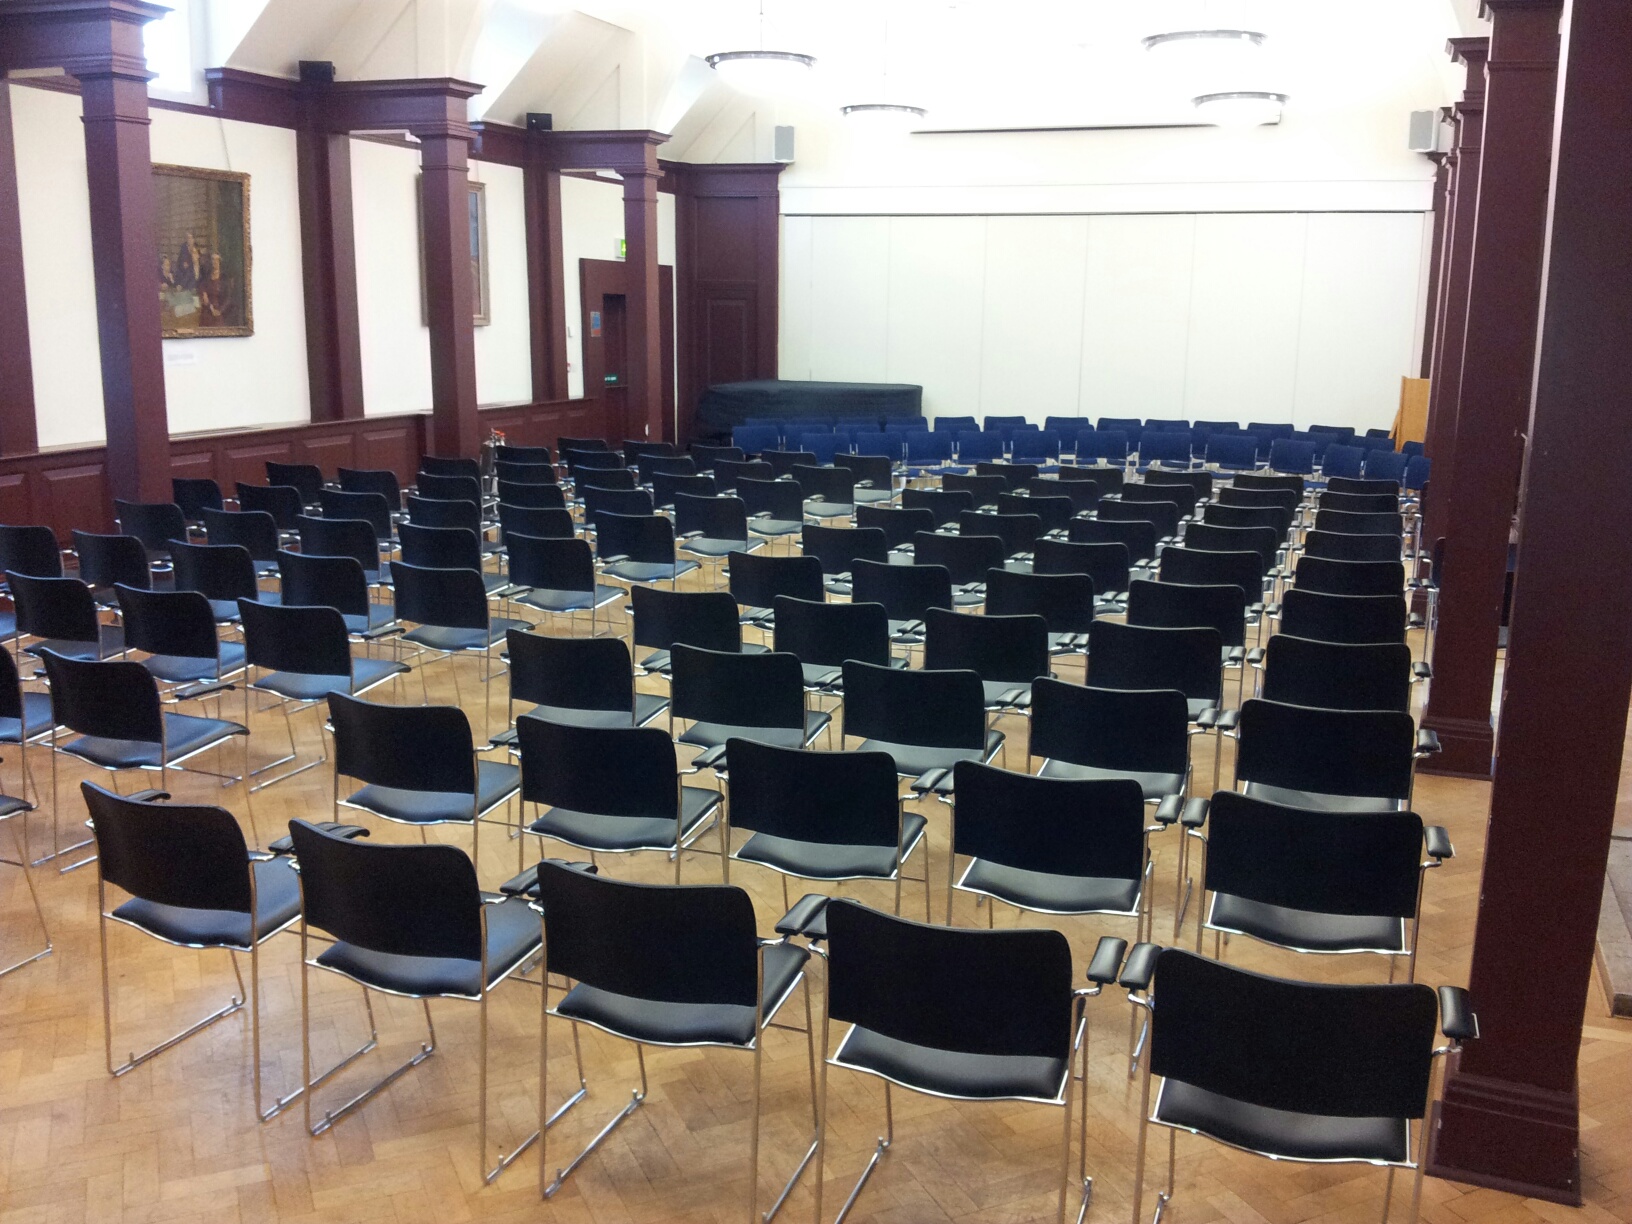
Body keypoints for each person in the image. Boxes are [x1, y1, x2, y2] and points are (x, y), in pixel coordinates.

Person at [198, 251, 235, 328]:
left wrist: (220, 311)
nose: (214, 262)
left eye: (217, 260)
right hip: (207, 309)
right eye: (213, 259)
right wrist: (203, 294)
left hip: (219, 311)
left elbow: (228, 298)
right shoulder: (207, 276)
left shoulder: (224, 278)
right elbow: (201, 286)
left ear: (220, 262)